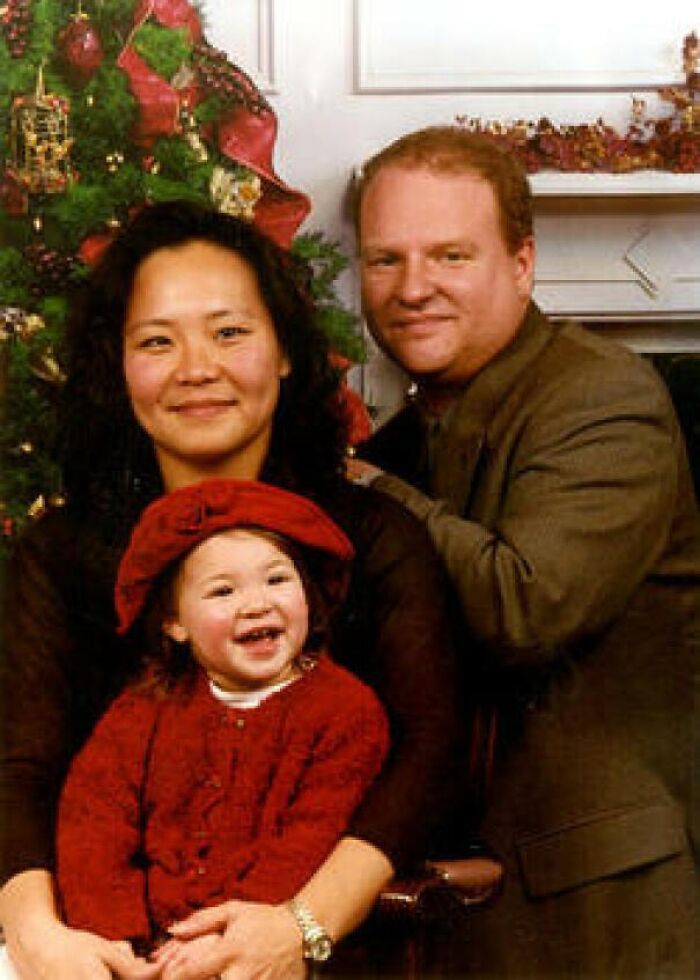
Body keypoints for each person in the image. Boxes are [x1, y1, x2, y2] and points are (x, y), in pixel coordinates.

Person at [0, 200, 469, 980]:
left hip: (313, 945)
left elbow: (431, 753)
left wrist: (300, 926)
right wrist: (39, 938)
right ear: (118, 366)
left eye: (229, 332)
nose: (196, 369)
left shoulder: (372, 537)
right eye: (157, 341)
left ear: (283, 351)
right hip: (95, 946)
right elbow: (20, 766)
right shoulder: (60, 553)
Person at [352, 125, 700, 976]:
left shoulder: (603, 395)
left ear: (522, 264)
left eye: (451, 256)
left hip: (596, 904)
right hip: (444, 903)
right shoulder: (402, 442)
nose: (413, 288)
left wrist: (364, 488)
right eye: (386, 259)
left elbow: (525, 608)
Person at [56, 478, 389, 968]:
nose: (256, 604)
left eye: (277, 580)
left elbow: (308, 840)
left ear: (308, 594)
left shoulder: (345, 711)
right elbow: (94, 820)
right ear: (174, 623)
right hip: (139, 950)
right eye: (223, 591)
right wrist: (115, 937)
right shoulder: (146, 708)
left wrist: (222, 940)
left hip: (261, 950)